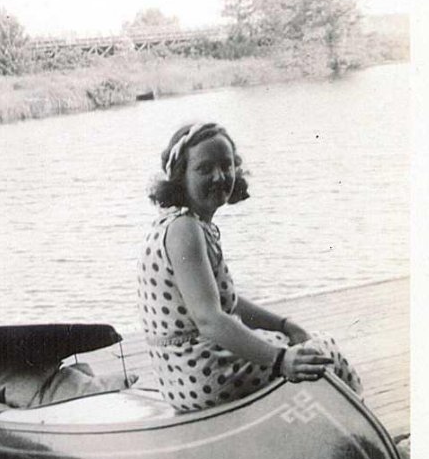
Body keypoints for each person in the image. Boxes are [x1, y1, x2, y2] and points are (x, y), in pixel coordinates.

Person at [137, 121, 363, 412]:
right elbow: (209, 319)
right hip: (203, 371)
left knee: (295, 344)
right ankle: (368, 442)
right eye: (204, 169)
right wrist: (281, 360)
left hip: (182, 374)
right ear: (180, 178)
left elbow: (224, 302)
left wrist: (283, 324)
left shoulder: (183, 222)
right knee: (321, 352)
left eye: (227, 166)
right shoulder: (184, 229)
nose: (220, 176)